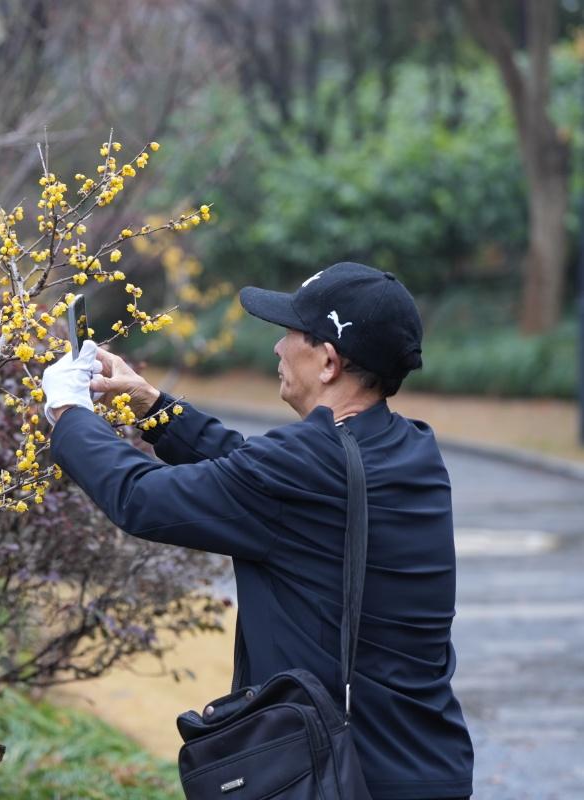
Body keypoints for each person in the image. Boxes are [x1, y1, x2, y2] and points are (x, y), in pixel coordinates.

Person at [41, 262, 474, 800]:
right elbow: (260, 476)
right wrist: (155, 409)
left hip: (342, 776)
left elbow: (142, 499)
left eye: (291, 332)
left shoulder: (307, 464)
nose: (277, 348)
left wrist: (69, 414)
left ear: (328, 362)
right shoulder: (411, 448)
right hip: (422, 763)